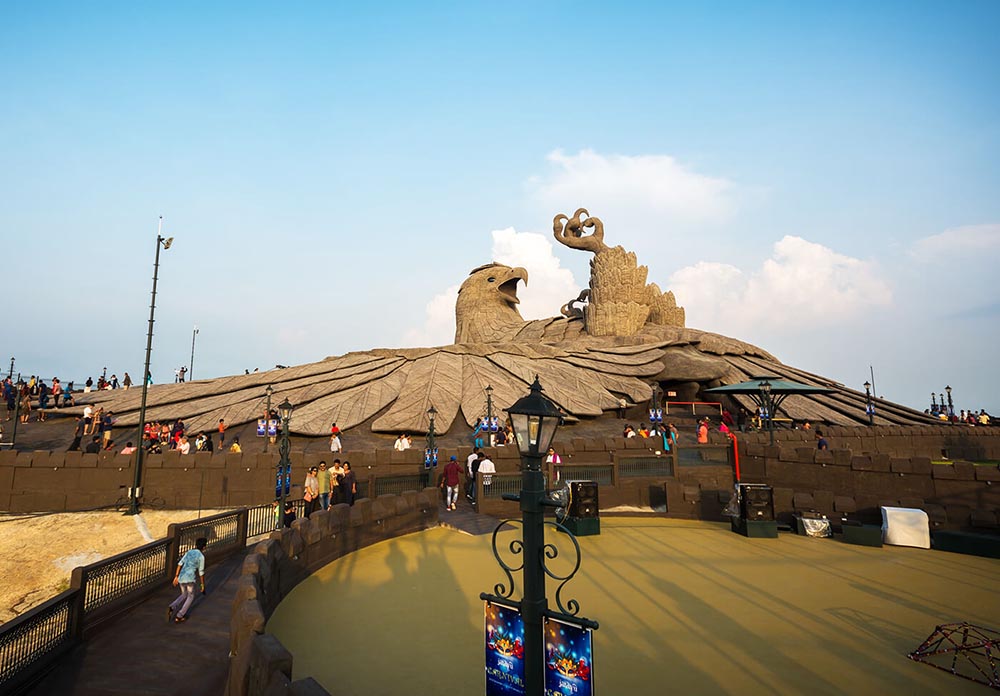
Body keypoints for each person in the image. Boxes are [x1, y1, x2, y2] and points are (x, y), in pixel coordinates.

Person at [169, 537, 207, 623]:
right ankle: (180, 615)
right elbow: (201, 572)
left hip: (181, 577)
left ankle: (172, 606)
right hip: (190, 579)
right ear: (204, 547)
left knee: (184, 594)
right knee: (191, 596)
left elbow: (180, 564)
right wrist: (202, 585)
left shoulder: (189, 552)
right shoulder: (201, 557)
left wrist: (176, 576)